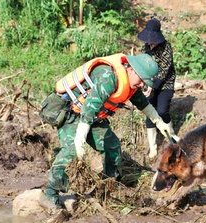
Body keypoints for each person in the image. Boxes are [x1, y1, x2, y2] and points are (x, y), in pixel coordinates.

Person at [43, 53, 178, 208]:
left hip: (91, 117)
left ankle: (110, 184)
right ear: (132, 70)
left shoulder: (132, 83)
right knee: (71, 151)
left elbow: (142, 103)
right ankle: (50, 194)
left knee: (112, 144)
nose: (142, 85)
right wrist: (80, 139)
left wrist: (159, 121)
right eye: (141, 80)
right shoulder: (108, 77)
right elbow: (89, 107)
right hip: (70, 113)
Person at [137, 18, 178, 159]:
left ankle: (171, 137)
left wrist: (153, 87)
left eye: (152, 40)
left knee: (162, 110)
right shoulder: (146, 48)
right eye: (148, 40)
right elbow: (143, 67)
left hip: (165, 83)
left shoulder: (166, 47)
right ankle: (153, 147)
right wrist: (146, 85)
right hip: (150, 84)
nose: (150, 42)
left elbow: (164, 71)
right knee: (149, 112)